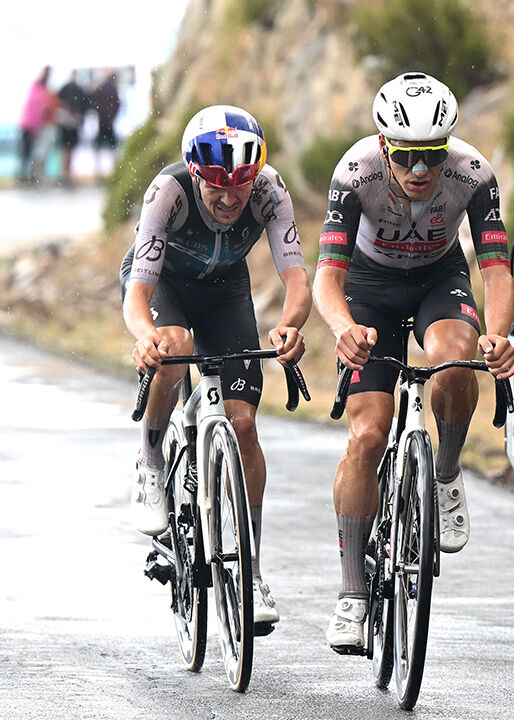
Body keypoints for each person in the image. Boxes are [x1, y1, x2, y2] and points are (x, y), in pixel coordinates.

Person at [314, 72, 514, 652]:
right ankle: (353, 593)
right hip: (369, 287)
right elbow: (330, 275)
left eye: (432, 154)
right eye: (407, 156)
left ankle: (447, 475)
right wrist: (343, 328)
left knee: (454, 362)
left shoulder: (473, 174)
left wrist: (497, 337)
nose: (421, 170)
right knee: (367, 435)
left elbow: (495, 270)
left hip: (438, 278)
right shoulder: (354, 175)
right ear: (384, 147)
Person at [120, 105, 310, 630]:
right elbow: (138, 292)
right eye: (216, 188)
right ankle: (151, 460)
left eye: (240, 187)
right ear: (196, 174)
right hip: (165, 285)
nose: (229, 200)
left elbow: (297, 278)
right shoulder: (170, 192)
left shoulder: (271, 191)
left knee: (243, 422)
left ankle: (248, 569)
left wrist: (292, 325)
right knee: (175, 348)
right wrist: (145, 337)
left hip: (225, 289)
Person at [17, 66, 54, 185]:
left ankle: (27, 175)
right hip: (30, 126)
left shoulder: (39, 90)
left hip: (31, 125)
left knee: (29, 152)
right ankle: (25, 176)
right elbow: (37, 110)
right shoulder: (40, 90)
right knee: (27, 152)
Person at [55, 73, 89, 186]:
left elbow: (85, 106)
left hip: (73, 125)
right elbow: (57, 103)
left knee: (70, 150)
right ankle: (64, 173)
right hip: (66, 124)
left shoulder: (78, 91)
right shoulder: (66, 90)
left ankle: (67, 173)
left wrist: (79, 116)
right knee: (66, 150)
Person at [89, 72, 121, 181]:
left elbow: (94, 102)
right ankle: (115, 170)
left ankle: (98, 171)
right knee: (112, 147)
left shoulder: (100, 88)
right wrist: (112, 117)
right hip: (108, 122)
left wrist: (101, 114)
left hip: (102, 121)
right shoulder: (112, 89)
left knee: (99, 147)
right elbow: (117, 104)